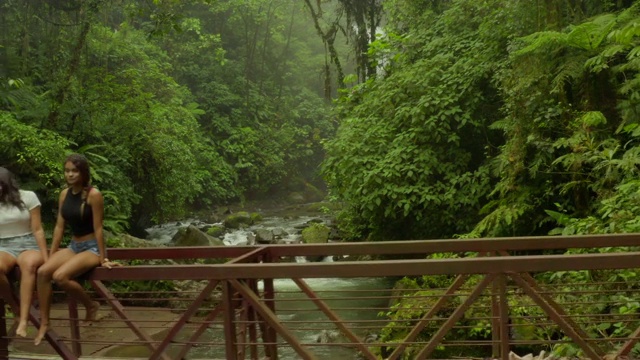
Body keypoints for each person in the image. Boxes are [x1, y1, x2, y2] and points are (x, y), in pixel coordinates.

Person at [35, 154, 117, 346]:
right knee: (43, 271)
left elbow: (98, 228)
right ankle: (45, 322)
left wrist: (103, 258)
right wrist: (52, 254)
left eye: (74, 171)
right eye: (67, 171)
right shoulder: (64, 194)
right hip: (73, 246)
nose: (70, 174)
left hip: (92, 248)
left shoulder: (93, 195)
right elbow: (59, 227)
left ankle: (91, 305)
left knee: (60, 276)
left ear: (83, 172)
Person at [0, 167, 48, 339]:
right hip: (3, 246)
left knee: (28, 265)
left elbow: (37, 229)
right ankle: (15, 307)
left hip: (28, 243)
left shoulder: (28, 196)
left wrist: (46, 256)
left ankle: (24, 320)